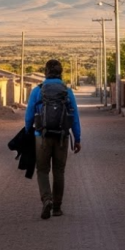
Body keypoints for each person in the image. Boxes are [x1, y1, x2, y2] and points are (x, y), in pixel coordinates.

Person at [24, 59, 81, 220]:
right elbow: (74, 116)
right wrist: (77, 138)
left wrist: (28, 131)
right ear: (61, 72)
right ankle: (56, 207)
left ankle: (46, 199)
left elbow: (29, 115)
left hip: (41, 136)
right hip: (62, 137)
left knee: (42, 170)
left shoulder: (38, 91)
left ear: (46, 72)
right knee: (59, 171)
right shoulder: (66, 91)